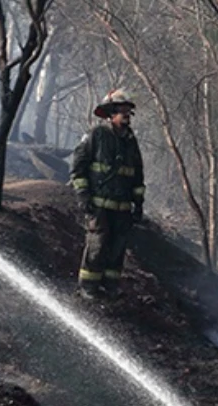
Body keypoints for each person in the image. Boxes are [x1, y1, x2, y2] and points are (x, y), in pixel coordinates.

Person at [70, 88, 145, 299]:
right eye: (123, 112)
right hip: (99, 205)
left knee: (117, 249)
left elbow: (137, 175)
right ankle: (88, 288)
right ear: (112, 114)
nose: (127, 117)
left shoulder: (131, 142)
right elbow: (78, 167)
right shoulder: (96, 135)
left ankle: (110, 287)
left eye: (129, 113)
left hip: (122, 209)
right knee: (98, 245)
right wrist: (83, 195)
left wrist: (138, 203)